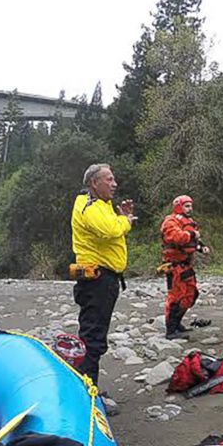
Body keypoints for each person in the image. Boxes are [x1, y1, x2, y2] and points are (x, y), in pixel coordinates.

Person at [70, 163, 135, 386]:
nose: (114, 184)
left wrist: (122, 218)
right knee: (93, 338)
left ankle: (86, 386)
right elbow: (110, 230)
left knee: (95, 335)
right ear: (94, 183)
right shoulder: (88, 205)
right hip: (96, 281)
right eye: (109, 179)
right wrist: (125, 221)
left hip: (105, 280)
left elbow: (112, 226)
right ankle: (87, 390)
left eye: (114, 179)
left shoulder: (103, 205)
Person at [160, 194, 209, 340]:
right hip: (174, 266)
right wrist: (192, 234)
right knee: (175, 297)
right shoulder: (170, 221)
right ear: (178, 206)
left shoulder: (189, 222)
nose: (190, 208)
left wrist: (201, 247)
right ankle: (171, 330)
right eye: (186, 206)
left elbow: (193, 241)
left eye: (190, 205)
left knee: (191, 294)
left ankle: (177, 323)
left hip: (186, 265)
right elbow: (176, 237)